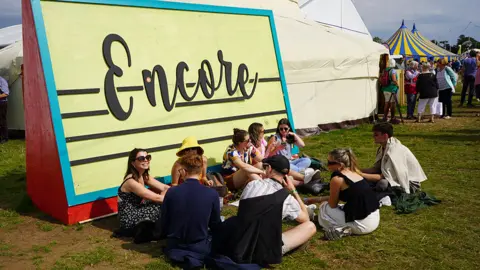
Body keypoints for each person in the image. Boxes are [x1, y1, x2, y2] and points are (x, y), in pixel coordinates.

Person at [215, 155, 316, 265]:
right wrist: (293, 191)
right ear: (286, 175)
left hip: (240, 241)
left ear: (269, 169)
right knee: (310, 226)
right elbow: (305, 218)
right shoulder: (286, 198)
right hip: (263, 252)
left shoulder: (252, 185)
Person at [160, 152, 222, 269]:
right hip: (199, 245)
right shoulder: (211, 193)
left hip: (175, 245)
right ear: (200, 172)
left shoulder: (172, 192)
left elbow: (165, 221)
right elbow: (215, 224)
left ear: (183, 171)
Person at [305, 148, 380, 240]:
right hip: (374, 218)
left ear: (340, 165)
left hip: (362, 225)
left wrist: (317, 201)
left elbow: (332, 204)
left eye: (330, 163)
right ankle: (343, 228)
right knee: (339, 206)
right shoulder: (355, 173)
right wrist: (313, 200)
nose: (327, 165)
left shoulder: (337, 179)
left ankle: (340, 228)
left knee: (324, 207)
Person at [117, 148, 170, 241]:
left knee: (163, 200)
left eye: (148, 157)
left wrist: (179, 192)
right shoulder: (131, 181)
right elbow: (158, 198)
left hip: (139, 209)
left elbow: (165, 188)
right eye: (141, 158)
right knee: (160, 205)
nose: (146, 160)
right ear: (133, 163)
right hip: (129, 218)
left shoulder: (143, 176)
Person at [361, 123, 427, 194]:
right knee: (366, 180)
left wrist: (360, 174)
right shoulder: (383, 147)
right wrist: (357, 170)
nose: (373, 136)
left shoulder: (393, 150)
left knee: (382, 184)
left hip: (409, 183)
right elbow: (376, 169)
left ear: (385, 136)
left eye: (376, 135)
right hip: (393, 178)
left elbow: (383, 177)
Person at [381, 58, 399, 123]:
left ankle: (385, 117)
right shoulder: (393, 71)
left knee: (386, 103)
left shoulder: (384, 70)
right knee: (392, 104)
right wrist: (397, 84)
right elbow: (394, 80)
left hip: (385, 89)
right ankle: (392, 118)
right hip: (392, 89)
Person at [0, 76, 9, 144]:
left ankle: (4, 138)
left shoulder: (2, 81)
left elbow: (6, 93)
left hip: (2, 103)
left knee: (2, 120)